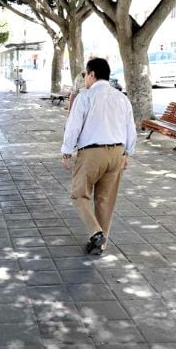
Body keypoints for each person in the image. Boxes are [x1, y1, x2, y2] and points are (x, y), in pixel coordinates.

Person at [61, 58, 136, 255]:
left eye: (86, 74)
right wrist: (128, 153)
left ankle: (95, 233)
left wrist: (67, 152)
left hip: (92, 153)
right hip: (117, 153)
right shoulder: (121, 98)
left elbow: (73, 126)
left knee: (79, 194)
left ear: (92, 74)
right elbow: (131, 128)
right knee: (105, 200)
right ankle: (100, 244)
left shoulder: (85, 97)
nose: (85, 78)